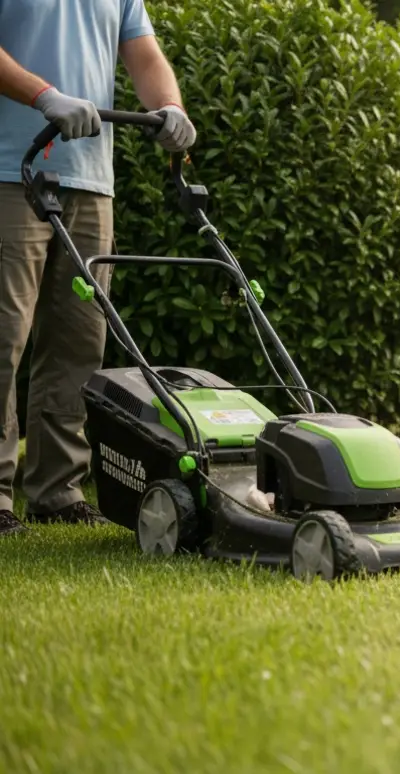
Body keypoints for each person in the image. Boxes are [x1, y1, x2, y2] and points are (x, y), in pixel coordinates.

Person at [0, 0, 197, 536]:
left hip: (89, 180)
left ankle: (56, 490)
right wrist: (44, 95)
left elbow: (144, 56)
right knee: (3, 337)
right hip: (7, 172)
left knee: (79, 344)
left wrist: (170, 106)